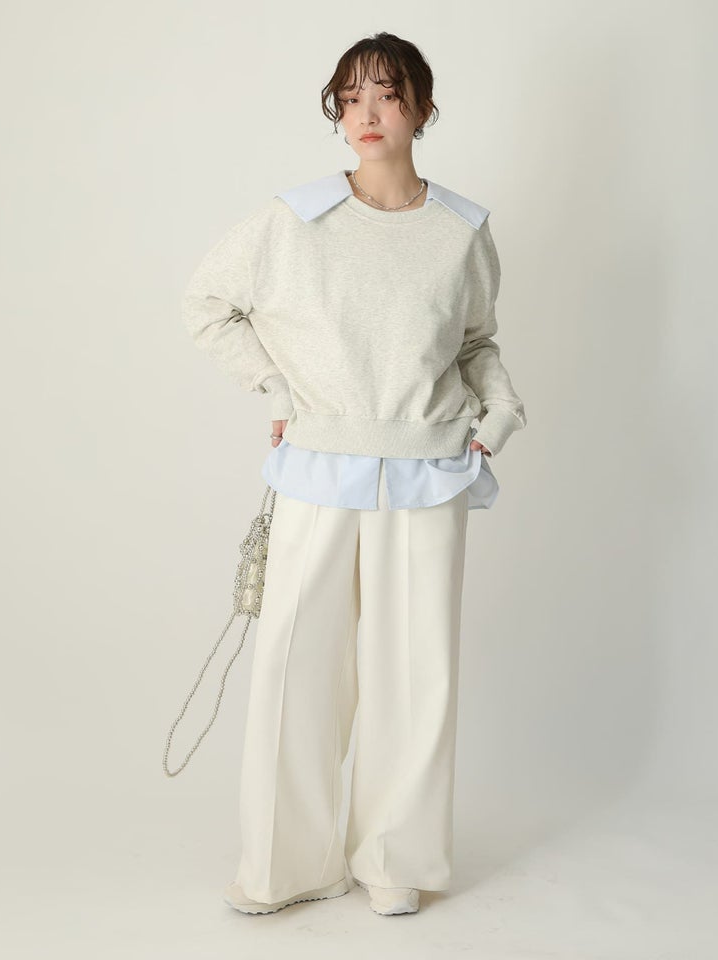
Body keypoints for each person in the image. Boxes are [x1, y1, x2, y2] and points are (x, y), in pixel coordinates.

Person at [181, 32, 527, 917]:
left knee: (415, 673)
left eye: (387, 93)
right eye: (350, 97)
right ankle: (283, 866)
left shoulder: (463, 230)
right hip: (318, 468)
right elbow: (208, 304)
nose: (366, 113)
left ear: (422, 106)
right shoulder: (293, 220)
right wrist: (275, 387)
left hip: (428, 472)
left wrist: (497, 417)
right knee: (295, 668)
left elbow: (478, 344)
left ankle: (393, 861)